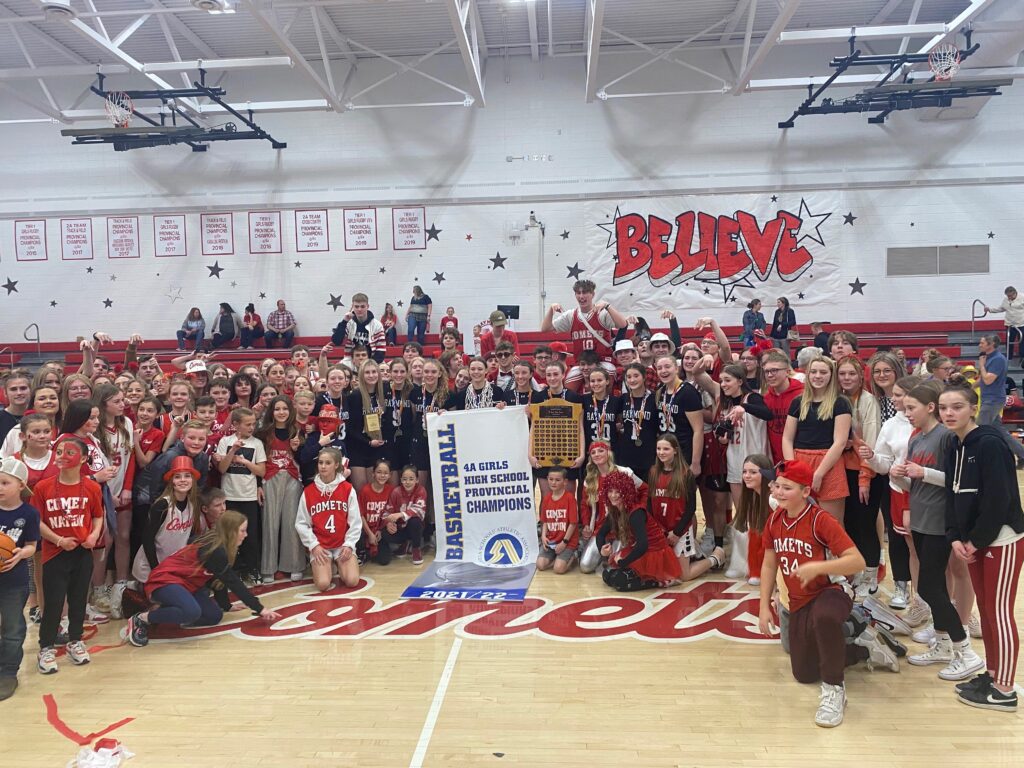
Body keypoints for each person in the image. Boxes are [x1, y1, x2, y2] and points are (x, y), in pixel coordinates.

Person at [758, 459, 896, 728]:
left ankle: (835, 691)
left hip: (832, 589)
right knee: (804, 672)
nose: (778, 492)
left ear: (806, 492)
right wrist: (763, 605)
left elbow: (857, 561)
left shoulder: (821, 519)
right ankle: (863, 649)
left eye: (787, 488)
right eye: (777, 487)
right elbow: (768, 563)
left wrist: (819, 567)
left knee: (824, 619)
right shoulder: (774, 519)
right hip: (798, 600)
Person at [940, 379, 1024, 711]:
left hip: (1000, 539)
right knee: (986, 611)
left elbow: (1000, 499)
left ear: (973, 408)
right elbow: (952, 494)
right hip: (971, 542)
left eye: (957, 407)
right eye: (944, 407)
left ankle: (1005, 690)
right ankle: (992, 674)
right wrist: (955, 537)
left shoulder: (990, 444)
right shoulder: (953, 444)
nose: (949, 413)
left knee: (999, 612)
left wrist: (976, 540)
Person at [901, 383, 984, 681]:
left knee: (930, 587)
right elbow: (916, 483)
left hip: (939, 522)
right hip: (922, 519)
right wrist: (902, 477)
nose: (906, 413)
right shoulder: (917, 439)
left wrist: (924, 473)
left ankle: (965, 650)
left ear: (929, 407)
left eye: (911, 408)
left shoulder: (947, 438)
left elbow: (956, 479)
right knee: (929, 586)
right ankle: (944, 645)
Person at [123, 511, 282, 647]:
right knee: (192, 612)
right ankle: (142, 618)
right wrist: (260, 609)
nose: (246, 535)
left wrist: (226, 605)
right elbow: (233, 581)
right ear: (230, 531)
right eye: (242, 530)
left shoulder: (221, 546)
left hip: (188, 585)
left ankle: (170, 609)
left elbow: (217, 580)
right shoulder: (215, 549)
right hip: (165, 580)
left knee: (213, 616)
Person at [34, 437, 104, 674]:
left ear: (83, 459)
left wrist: (94, 535)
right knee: (53, 603)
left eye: (69, 452)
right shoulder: (43, 487)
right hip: (55, 552)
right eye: (60, 451)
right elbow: (38, 521)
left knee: (78, 600)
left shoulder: (92, 487)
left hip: (83, 552)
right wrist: (58, 540)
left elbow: (97, 515)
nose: (62, 455)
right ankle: (46, 647)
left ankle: (76, 640)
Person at [782, 357, 851, 521]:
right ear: (807, 374)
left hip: (829, 463)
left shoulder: (840, 403)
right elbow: (787, 438)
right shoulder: (798, 402)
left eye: (823, 372)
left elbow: (840, 442)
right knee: (801, 520)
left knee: (831, 524)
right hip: (800, 460)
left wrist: (819, 473)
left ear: (831, 375)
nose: (818, 376)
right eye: (813, 372)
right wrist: (792, 468)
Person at [648, 434, 722, 580]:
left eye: (666, 449)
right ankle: (696, 551)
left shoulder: (685, 474)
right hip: (661, 529)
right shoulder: (653, 472)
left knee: (683, 576)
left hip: (679, 530)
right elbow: (649, 504)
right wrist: (659, 530)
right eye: (658, 449)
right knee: (661, 571)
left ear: (675, 450)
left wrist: (676, 532)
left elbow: (691, 507)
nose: (661, 452)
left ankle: (716, 556)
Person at [596, 470, 682, 591]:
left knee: (619, 582)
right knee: (608, 576)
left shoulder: (636, 512)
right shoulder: (615, 511)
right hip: (638, 550)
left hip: (653, 552)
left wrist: (623, 562)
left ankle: (660, 582)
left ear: (626, 492)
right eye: (610, 491)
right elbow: (600, 534)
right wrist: (601, 550)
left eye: (617, 492)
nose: (613, 495)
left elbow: (643, 545)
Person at [295, 447, 362, 591]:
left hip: (341, 545)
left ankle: (337, 562)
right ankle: (328, 564)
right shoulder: (308, 491)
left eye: (327, 463)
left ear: (336, 465)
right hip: (321, 546)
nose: (323, 466)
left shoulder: (347, 489)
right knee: (323, 584)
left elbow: (356, 521)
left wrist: (349, 544)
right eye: (320, 463)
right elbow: (301, 523)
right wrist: (314, 546)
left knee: (352, 581)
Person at [541, 279, 627, 390]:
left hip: (602, 361)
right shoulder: (571, 315)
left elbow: (622, 324)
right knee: (567, 389)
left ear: (592, 294)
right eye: (578, 293)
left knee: (606, 377)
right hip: (581, 364)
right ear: (575, 295)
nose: (581, 296)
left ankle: (606, 404)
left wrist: (608, 306)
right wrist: (551, 310)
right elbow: (545, 328)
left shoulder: (601, 313)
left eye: (585, 292)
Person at [0, 458, 39, 700]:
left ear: (20, 485)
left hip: (14, 581)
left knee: (13, 628)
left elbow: (32, 545)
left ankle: (7, 673)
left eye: (5, 483)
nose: (0, 488)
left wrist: (21, 554)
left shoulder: (29, 513)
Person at [132, 455, 204, 586]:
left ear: (193, 479)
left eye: (187, 476)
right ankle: (136, 588)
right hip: (152, 566)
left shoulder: (193, 504)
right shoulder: (162, 505)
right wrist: (157, 569)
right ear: (171, 481)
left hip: (173, 567)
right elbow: (147, 540)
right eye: (177, 476)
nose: (183, 480)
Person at [256, 396, 306, 583]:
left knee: (291, 522)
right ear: (272, 412)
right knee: (270, 523)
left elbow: (305, 458)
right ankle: (268, 567)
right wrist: (257, 485)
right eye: (277, 409)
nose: (281, 412)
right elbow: (256, 459)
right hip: (270, 478)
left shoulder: (297, 430)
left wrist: (298, 448)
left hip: (292, 478)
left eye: (285, 408)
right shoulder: (263, 433)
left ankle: (294, 564)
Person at [215, 408, 267, 583]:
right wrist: (232, 452)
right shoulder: (225, 441)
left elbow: (261, 471)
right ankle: (232, 570)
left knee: (250, 536)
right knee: (230, 536)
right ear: (236, 424)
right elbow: (222, 468)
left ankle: (252, 568)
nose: (252, 427)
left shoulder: (257, 444)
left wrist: (244, 461)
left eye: (253, 424)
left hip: (249, 497)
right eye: (248, 424)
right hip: (229, 496)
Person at [977, 334, 1024, 463]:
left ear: (991, 344)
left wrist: (981, 365)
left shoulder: (998, 359)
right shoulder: (989, 358)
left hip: (993, 399)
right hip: (988, 398)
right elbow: (982, 379)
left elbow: (987, 380)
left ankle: (978, 459)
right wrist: (967, 387)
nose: (979, 345)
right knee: (1000, 431)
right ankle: (1022, 454)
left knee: (980, 429)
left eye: (982, 342)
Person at [732, 454, 772, 585]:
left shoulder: (774, 498)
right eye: (744, 472)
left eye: (753, 472)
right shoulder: (753, 496)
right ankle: (754, 570)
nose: (747, 476)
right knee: (752, 533)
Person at [762, 349, 804, 464]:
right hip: (776, 462)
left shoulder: (802, 395)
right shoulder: (766, 398)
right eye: (766, 371)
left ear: (787, 371)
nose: (770, 375)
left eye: (774, 370)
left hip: (800, 459)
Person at [536, 467, 578, 574]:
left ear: (565, 482)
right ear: (547, 479)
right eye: (551, 479)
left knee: (558, 569)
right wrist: (543, 536)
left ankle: (574, 555)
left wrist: (564, 543)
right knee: (540, 565)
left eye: (558, 480)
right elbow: (544, 521)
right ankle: (556, 557)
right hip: (552, 540)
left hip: (567, 541)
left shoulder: (570, 498)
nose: (553, 482)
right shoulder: (546, 498)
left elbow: (573, 524)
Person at [383, 465, 427, 566]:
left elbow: (419, 511)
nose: (407, 482)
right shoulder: (396, 492)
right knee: (385, 533)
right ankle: (404, 543)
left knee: (415, 521)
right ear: (401, 480)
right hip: (400, 527)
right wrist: (389, 522)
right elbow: (387, 512)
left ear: (417, 480)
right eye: (404, 479)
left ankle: (416, 549)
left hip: (415, 527)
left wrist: (400, 514)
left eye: (411, 479)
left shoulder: (421, 490)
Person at [357, 459, 394, 566]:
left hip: (379, 530)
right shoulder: (365, 491)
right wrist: (369, 534)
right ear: (373, 473)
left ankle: (374, 550)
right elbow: (360, 515)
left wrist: (382, 530)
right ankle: (361, 551)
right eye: (379, 472)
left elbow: (392, 513)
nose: (382, 475)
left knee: (384, 560)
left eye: (385, 473)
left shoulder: (391, 490)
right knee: (356, 528)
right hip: (366, 529)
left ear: (390, 475)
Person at [331, 293, 386, 363]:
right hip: (350, 360)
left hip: (372, 361)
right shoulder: (348, 323)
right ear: (352, 307)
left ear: (367, 306)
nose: (359, 309)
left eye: (362, 306)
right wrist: (344, 321)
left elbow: (381, 351)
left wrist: (369, 365)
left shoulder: (377, 325)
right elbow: (336, 341)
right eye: (356, 307)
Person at [983, 286, 1024, 363]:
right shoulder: (1006, 300)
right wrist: (990, 310)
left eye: (1011, 296)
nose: (1009, 297)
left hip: (1021, 324)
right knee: (1009, 341)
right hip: (1010, 324)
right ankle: (1009, 357)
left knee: (1022, 341)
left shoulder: (1022, 297)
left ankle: (1022, 357)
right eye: (1008, 296)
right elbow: (1001, 308)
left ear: (1015, 293)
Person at [0, 371, 30, 445]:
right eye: (13, 389)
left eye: (23, 388)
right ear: (5, 393)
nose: (19, 393)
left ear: (30, 390)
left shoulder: (39, 416)